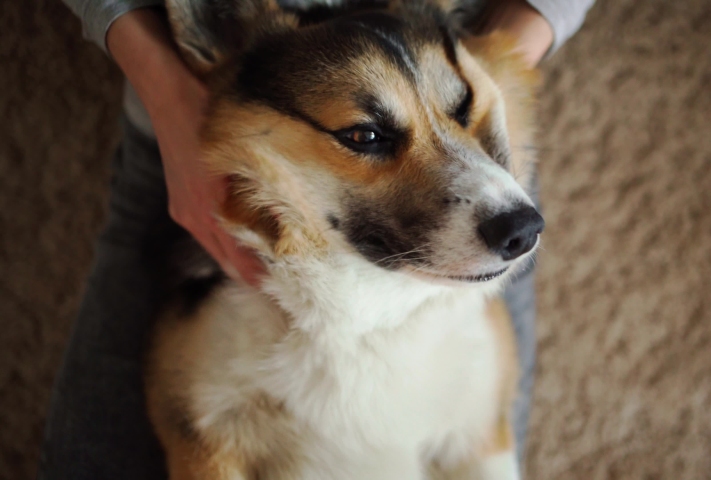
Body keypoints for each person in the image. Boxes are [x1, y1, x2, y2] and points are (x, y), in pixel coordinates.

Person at [38, 0, 594, 478]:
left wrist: (497, 65)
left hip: (452, 51)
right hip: (185, 125)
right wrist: (164, 91)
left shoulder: (489, 167)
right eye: (367, 135)